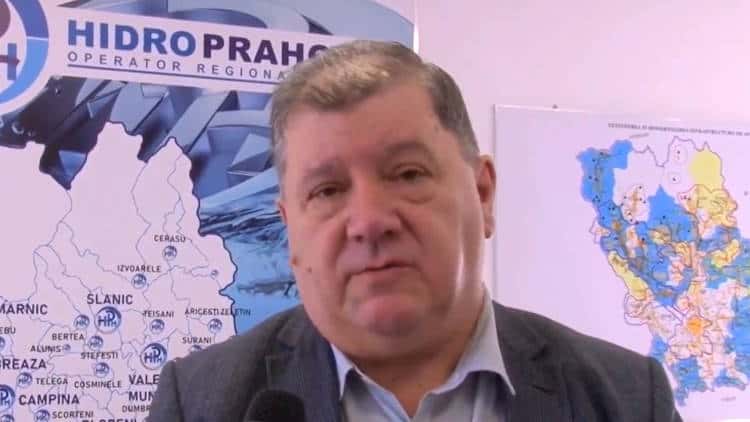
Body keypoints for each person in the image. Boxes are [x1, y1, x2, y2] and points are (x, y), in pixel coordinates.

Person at [147, 40, 682, 422]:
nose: (369, 222)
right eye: (327, 191)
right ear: (291, 230)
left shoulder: (628, 400)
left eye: (407, 174)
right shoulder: (200, 403)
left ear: (483, 193)